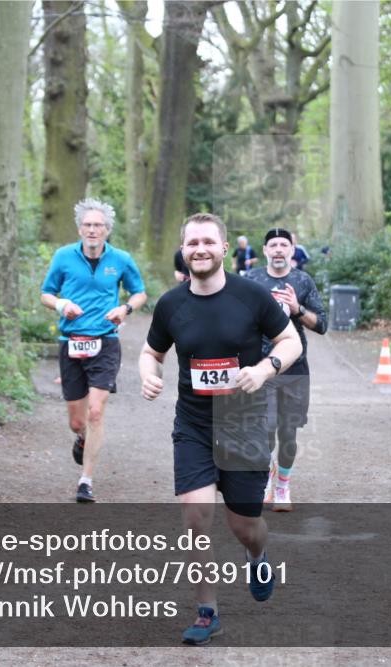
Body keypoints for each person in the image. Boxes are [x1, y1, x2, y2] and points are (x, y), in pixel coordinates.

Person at [139, 212, 301, 645]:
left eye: (208, 242)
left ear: (224, 248)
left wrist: (265, 369)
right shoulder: (172, 304)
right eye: (192, 242)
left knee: (244, 525)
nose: (200, 249)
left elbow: (292, 341)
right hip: (193, 425)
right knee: (196, 517)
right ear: (184, 248)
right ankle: (207, 611)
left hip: (244, 425)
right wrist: (148, 373)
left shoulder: (251, 296)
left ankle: (258, 553)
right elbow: (150, 351)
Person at [41, 198, 147, 503]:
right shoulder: (63, 257)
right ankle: (82, 438)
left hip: (105, 342)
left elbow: (139, 293)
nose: (92, 229)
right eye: (87, 225)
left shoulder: (121, 259)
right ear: (79, 229)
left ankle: (86, 480)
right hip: (70, 342)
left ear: (107, 229)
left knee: (96, 411)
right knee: (77, 421)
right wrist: (62, 304)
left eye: (98, 225)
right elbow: (46, 293)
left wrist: (124, 309)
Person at [246, 228, 327, 511]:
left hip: (295, 368)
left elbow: (322, 325)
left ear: (292, 250)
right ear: (265, 250)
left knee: (288, 432)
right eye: (273, 245)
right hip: (261, 365)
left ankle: (283, 485)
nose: (278, 249)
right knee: (266, 428)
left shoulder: (303, 281)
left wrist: (297, 309)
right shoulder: (252, 279)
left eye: (284, 245)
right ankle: (268, 476)